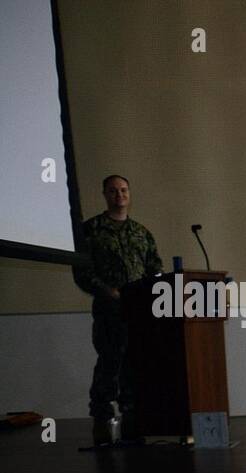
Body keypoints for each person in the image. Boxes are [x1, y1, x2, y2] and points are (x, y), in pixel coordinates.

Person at [71, 174, 162, 446]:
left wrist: (153, 293)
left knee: (135, 365)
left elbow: (154, 269)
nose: (119, 195)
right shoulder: (91, 230)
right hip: (109, 310)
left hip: (138, 312)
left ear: (129, 194)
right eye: (113, 191)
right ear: (105, 195)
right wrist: (107, 291)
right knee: (109, 364)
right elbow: (82, 271)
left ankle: (132, 420)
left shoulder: (142, 233)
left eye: (123, 190)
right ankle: (101, 420)